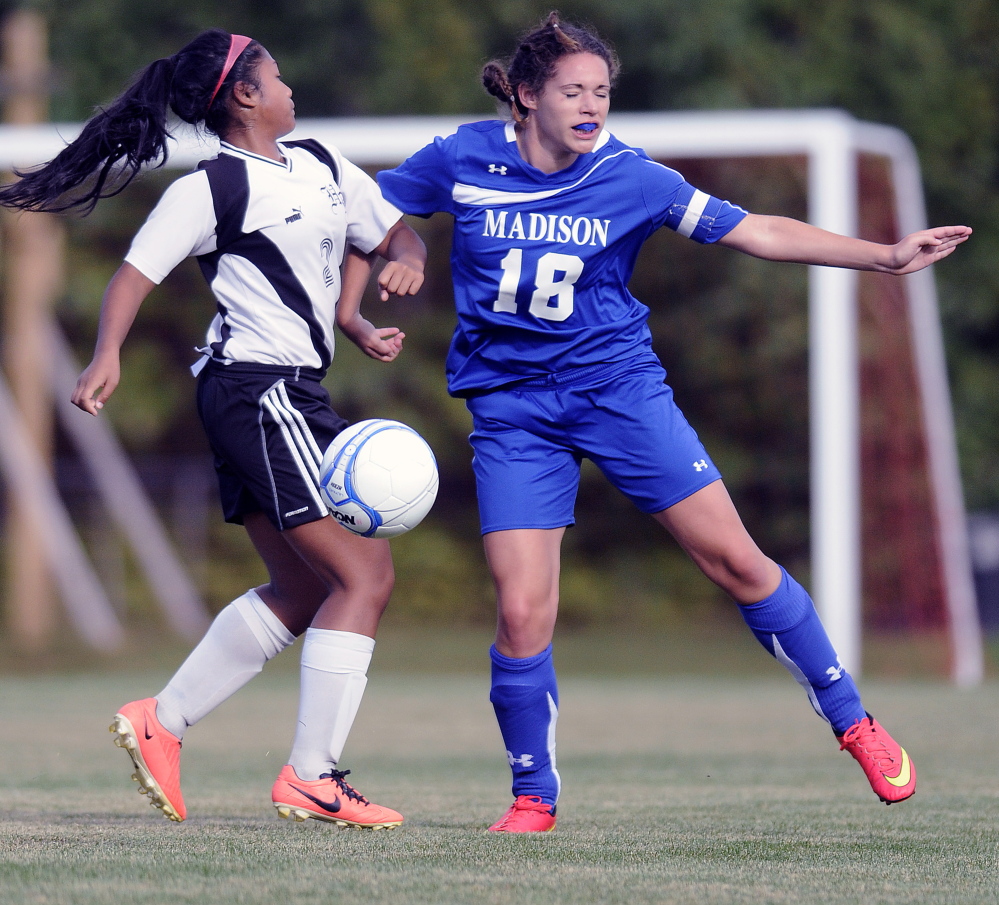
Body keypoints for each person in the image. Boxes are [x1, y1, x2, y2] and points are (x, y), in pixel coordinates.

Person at [375, 11, 970, 833]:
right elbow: (358, 206)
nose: (591, 105)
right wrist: (401, 243)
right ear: (524, 95)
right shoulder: (461, 157)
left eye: (602, 92)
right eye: (572, 90)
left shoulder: (631, 177)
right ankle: (532, 796)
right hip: (513, 414)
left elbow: (756, 230)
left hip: (619, 394)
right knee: (520, 611)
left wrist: (883, 256)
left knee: (736, 562)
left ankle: (853, 722)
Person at [0, 29, 426, 828]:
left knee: (304, 587)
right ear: (245, 96)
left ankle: (162, 721)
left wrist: (378, 289)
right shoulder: (213, 188)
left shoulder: (326, 164)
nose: (291, 84)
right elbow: (134, 272)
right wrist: (106, 357)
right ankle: (312, 775)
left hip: (294, 392)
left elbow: (395, 232)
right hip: (256, 391)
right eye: (277, 74)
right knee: (363, 578)